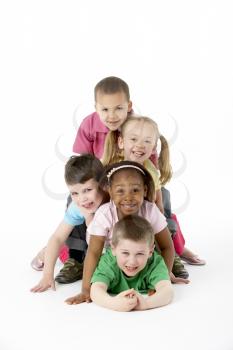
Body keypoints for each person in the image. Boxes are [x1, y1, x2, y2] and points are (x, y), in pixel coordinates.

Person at [102, 115, 205, 270]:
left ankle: (176, 252)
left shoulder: (150, 170)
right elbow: (105, 197)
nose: (140, 145)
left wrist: (160, 221)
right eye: (134, 139)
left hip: (144, 211)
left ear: (153, 147)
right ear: (121, 142)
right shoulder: (114, 166)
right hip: (118, 212)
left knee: (167, 213)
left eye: (147, 141)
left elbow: (157, 202)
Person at [65, 161, 175, 305]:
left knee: (152, 258)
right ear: (110, 191)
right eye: (120, 191)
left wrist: (164, 275)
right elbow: (93, 252)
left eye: (135, 190)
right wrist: (86, 290)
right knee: (101, 277)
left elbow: (167, 246)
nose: (128, 197)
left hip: (139, 253)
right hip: (108, 255)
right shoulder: (105, 214)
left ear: (145, 190)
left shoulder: (150, 210)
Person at [30, 154, 108, 293]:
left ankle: (58, 251)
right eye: (74, 193)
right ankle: (45, 253)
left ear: (102, 184)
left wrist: (89, 217)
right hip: (88, 239)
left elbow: (101, 246)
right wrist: (48, 274)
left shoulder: (113, 202)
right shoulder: (79, 206)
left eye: (88, 190)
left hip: (101, 241)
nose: (82, 198)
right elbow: (58, 237)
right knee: (62, 244)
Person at [90, 215, 173, 311]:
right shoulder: (109, 261)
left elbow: (167, 291)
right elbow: (96, 289)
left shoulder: (155, 262)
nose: (132, 261)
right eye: (125, 253)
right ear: (113, 249)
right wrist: (113, 303)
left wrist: (146, 304)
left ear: (150, 251)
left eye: (140, 254)